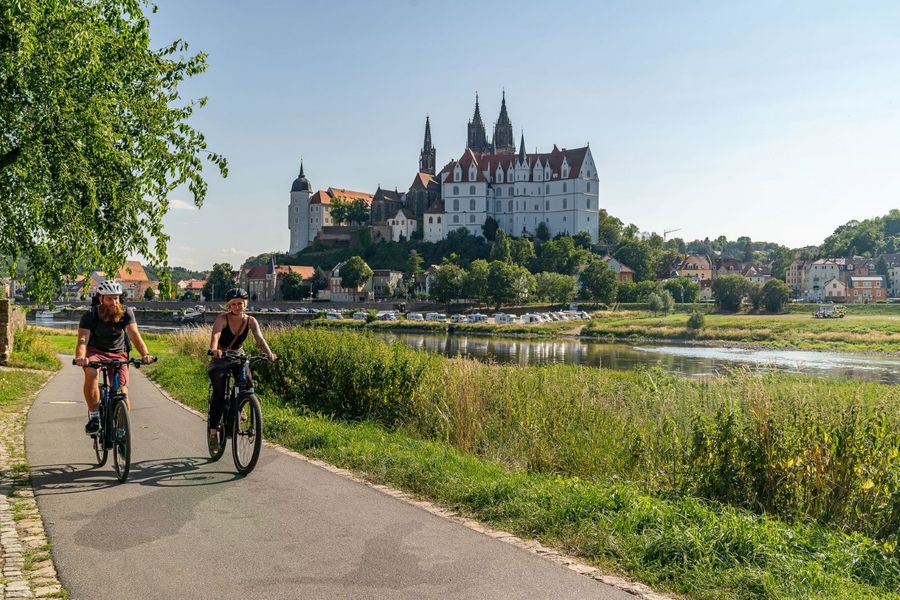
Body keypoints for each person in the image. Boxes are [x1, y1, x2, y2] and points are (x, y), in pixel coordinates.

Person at [74, 280, 154, 434]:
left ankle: (122, 431)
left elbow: (134, 334)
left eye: (116, 298)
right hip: (95, 352)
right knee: (91, 373)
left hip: (119, 353)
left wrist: (145, 354)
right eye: (110, 298)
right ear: (101, 299)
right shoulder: (90, 315)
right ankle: (95, 416)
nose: (114, 302)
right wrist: (81, 357)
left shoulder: (126, 313)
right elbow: (83, 340)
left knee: (123, 394)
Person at [207, 288, 277, 450]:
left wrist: (269, 353)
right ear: (229, 306)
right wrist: (214, 349)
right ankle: (213, 432)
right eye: (234, 304)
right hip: (221, 356)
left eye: (240, 303)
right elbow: (216, 335)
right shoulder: (222, 318)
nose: (238, 307)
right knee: (219, 394)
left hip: (239, 355)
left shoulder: (250, 320)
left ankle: (238, 406)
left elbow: (259, 338)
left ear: (245, 304)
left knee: (246, 382)